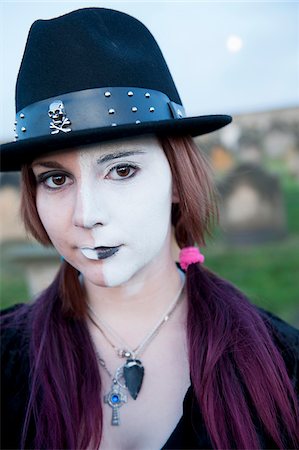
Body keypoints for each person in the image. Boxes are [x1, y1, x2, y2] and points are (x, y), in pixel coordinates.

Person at [0, 7, 298, 450]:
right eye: (56, 178)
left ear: (177, 179)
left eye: (121, 170)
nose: (87, 214)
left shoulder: (279, 366)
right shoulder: (8, 360)